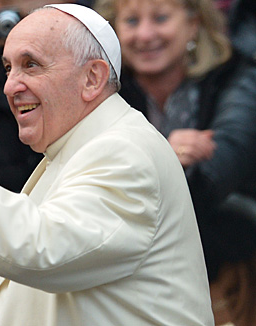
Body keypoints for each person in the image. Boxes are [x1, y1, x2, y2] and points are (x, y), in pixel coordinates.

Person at [0, 3, 214, 325]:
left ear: (92, 77)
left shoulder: (123, 151)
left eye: (31, 65)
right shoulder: (78, 146)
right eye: (7, 67)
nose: (10, 86)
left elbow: (41, 247)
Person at [94, 0, 256, 324]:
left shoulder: (234, 75)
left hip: (222, 264)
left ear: (193, 24)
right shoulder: (99, 90)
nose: (146, 34)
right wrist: (165, 154)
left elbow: (221, 169)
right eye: (131, 21)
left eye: (161, 18)